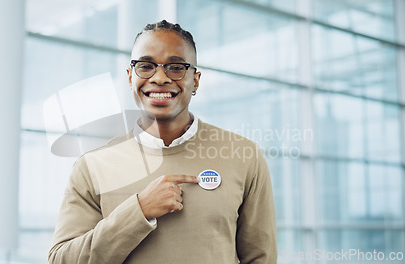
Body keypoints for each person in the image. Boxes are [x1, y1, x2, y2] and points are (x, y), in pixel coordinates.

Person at [48, 20, 277, 264]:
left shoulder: (244, 156)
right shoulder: (92, 166)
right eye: (146, 66)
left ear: (195, 80)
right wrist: (138, 211)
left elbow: (260, 258)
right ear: (130, 77)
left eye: (175, 67)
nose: (159, 78)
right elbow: (62, 260)